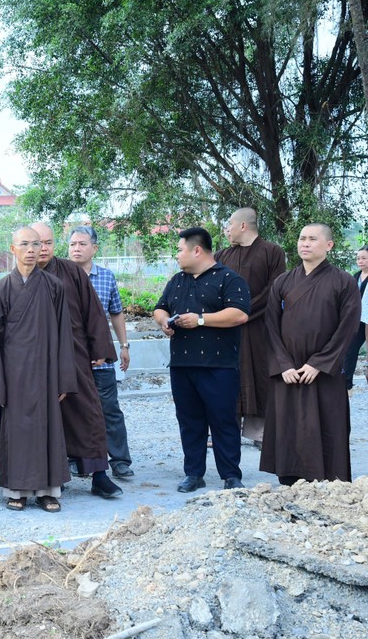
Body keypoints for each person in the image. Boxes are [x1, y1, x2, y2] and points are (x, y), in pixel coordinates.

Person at [0, 227, 77, 512]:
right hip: (14, 373)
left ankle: (48, 491)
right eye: (25, 244)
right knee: (17, 430)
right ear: (13, 249)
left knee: (47, 428)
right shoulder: (1, 289)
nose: (32, 249)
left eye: (37, 244)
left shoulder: (54, 286)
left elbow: (63, 334)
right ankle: (17, 490)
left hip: (46, 370)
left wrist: (62, 379)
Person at [261, 224, 360, 485]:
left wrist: (319, 363)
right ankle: (291, 482)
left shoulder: (344, 281)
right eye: (302, 238)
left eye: (312, 239)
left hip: (323, 372)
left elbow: (347, 328)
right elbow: (270, 325)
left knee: (328, 427)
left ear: (329, 245)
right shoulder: (282, 282)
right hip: (289, 372)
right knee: (289, 426)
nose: (305, 243)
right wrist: (283, 365)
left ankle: (331, 486)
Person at [30, 222, 123, 499]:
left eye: (47, 242)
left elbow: (93, 312)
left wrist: (100, 350)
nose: (42, 248)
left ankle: (99, 475)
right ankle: (45, 476)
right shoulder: (21, 276)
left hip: (74, 354)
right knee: (40, 417)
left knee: (88, 413)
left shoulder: (71, 272)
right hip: (35, 360)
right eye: (36, 243)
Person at [154, 227, 250, 493]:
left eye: (179, 249)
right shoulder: (177, 280)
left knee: (223, 421)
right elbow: (161, 307)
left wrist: (199, 319)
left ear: (197, 250)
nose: (176, 255)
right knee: (189, 422)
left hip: (218, 367)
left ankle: (231, 475)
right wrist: (164, 321)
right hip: (182, 366)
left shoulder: (229, 279)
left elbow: (239, 314)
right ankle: (194, 474)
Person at [67, 225, 135, 479]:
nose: (76, 248)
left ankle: (119, 460)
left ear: (94, 248)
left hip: (101, 357)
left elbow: (116, 312)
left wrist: (124, 345)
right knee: (73, 409)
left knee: (109, 408)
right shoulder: (59, 275)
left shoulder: (106, 276)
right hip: (71, 357)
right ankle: (76, 458)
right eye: (73, 244)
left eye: (82, 244)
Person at [215, 208, 286, 445]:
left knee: (260, 376)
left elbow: (274, 289)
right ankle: (226, 432)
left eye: (230, 224)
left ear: (243, 226)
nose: (228, 229)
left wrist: (243, 311)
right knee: (228, 378)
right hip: (227, 329)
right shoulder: (223, 255)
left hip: (259, 327)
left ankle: (261, 434)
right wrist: (225, 316)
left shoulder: (272, 251)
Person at [341, 245, 368, 393]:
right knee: (350, 349)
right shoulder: (355, 277)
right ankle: (346, 383)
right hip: (357, 320)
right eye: (358, 258)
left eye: (364, 258)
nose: (360, 261)